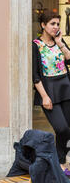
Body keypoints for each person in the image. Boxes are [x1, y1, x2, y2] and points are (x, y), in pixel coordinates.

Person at [32, 11, 70, 172]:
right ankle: (59, 159)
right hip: (49, 91)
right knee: (61, 128)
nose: (55, 27)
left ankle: (62, 161)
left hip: (66, 88)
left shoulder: (59, 42)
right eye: (52, 24)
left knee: (69, 128)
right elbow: (35, 75)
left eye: (57, 24)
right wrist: (44, 97)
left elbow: (69, 59)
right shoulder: (35, 45)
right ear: (43, 25)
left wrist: (60, 42)